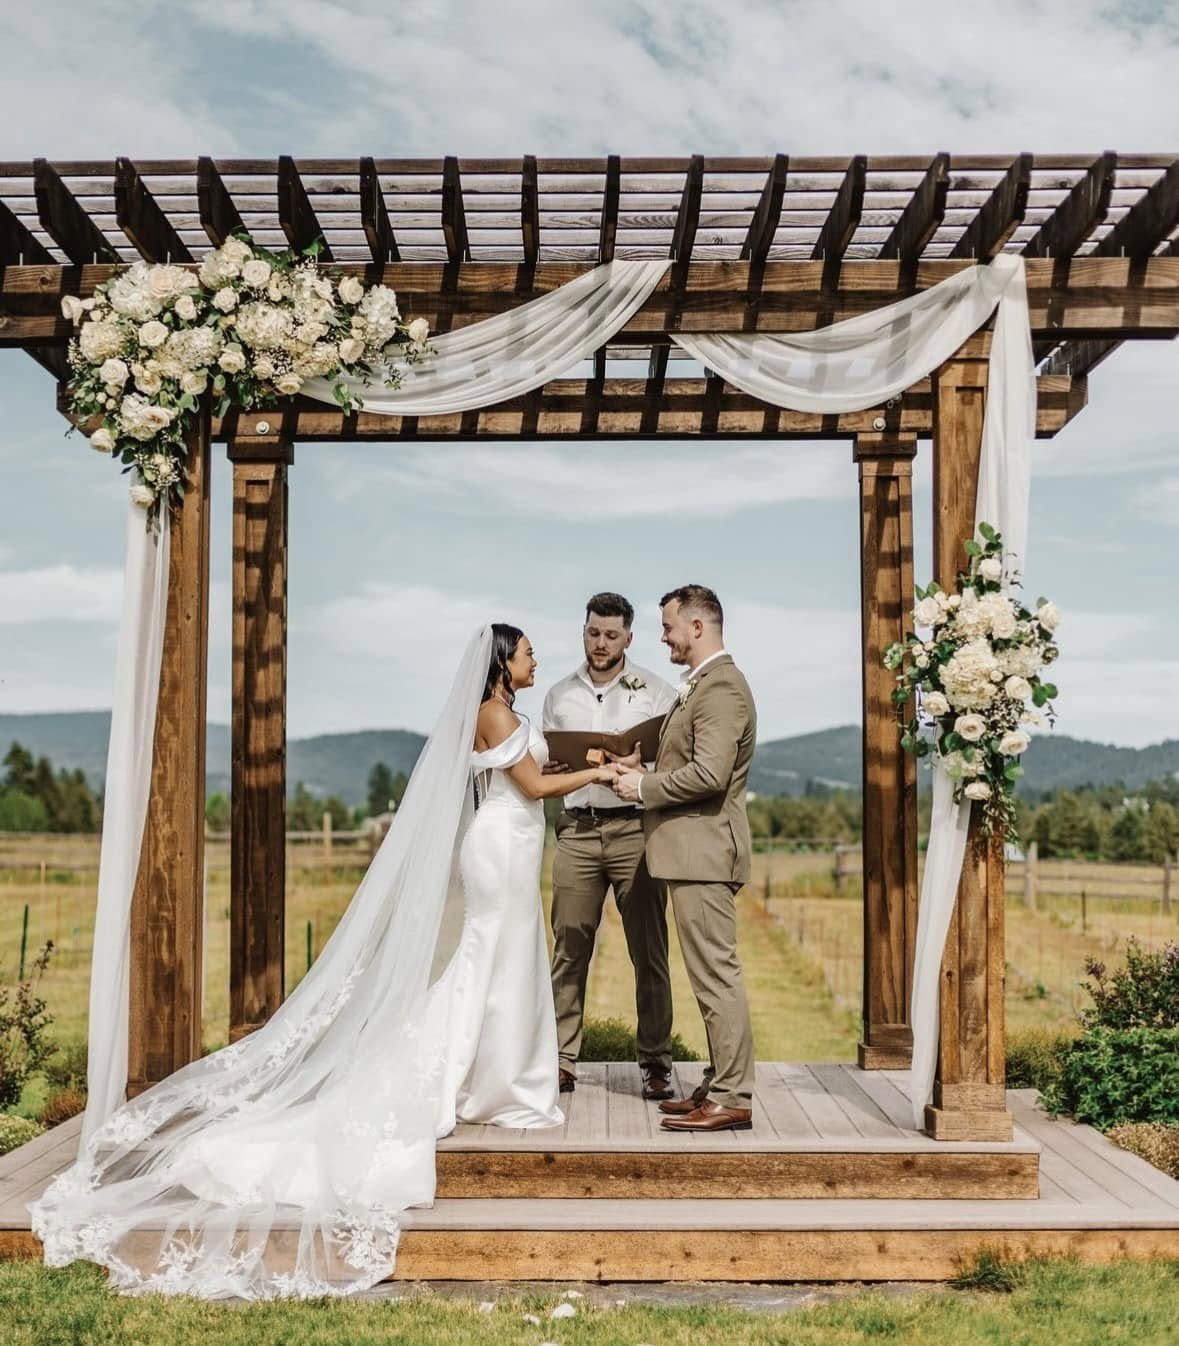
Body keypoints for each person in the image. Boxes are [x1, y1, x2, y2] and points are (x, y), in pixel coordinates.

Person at [31, 624, 617, 1299]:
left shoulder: (504, 712)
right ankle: (490, 1081)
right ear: (502, 664)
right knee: (494, 958)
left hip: (513, 848)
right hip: (501, 850)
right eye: (527, 652)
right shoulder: (491, 711)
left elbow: (529, 771)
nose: (535, 659)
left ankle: (495, 1075)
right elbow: (533, 785)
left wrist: (588, 753)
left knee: (501, 962)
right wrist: (600, 771)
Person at [611, 586, 758, 1133]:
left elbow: (710, 774)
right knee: (707, 977)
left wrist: (642, 786)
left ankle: (733, 1095)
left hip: (704, 855)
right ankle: (719, 1082)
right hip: (690, 855)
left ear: (698, 627)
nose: (664, 636)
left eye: (669, 626)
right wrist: (639, 760)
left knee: (717, 977)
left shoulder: (721, 689)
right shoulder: (703, 687)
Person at [542, 593, 677, 1099]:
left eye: (611, 635)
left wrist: (642, 767)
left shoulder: (658, 692)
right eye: (593, 633)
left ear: (629, 638)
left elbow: (673, 763)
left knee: (649, 948)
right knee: (570, 945)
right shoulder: (558, 694)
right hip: (577, 828)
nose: (601, 644)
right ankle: (560, 1058)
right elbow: (552, 762)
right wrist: (556, 768)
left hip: (635, 831)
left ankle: (656, 1061)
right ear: (584, 631)